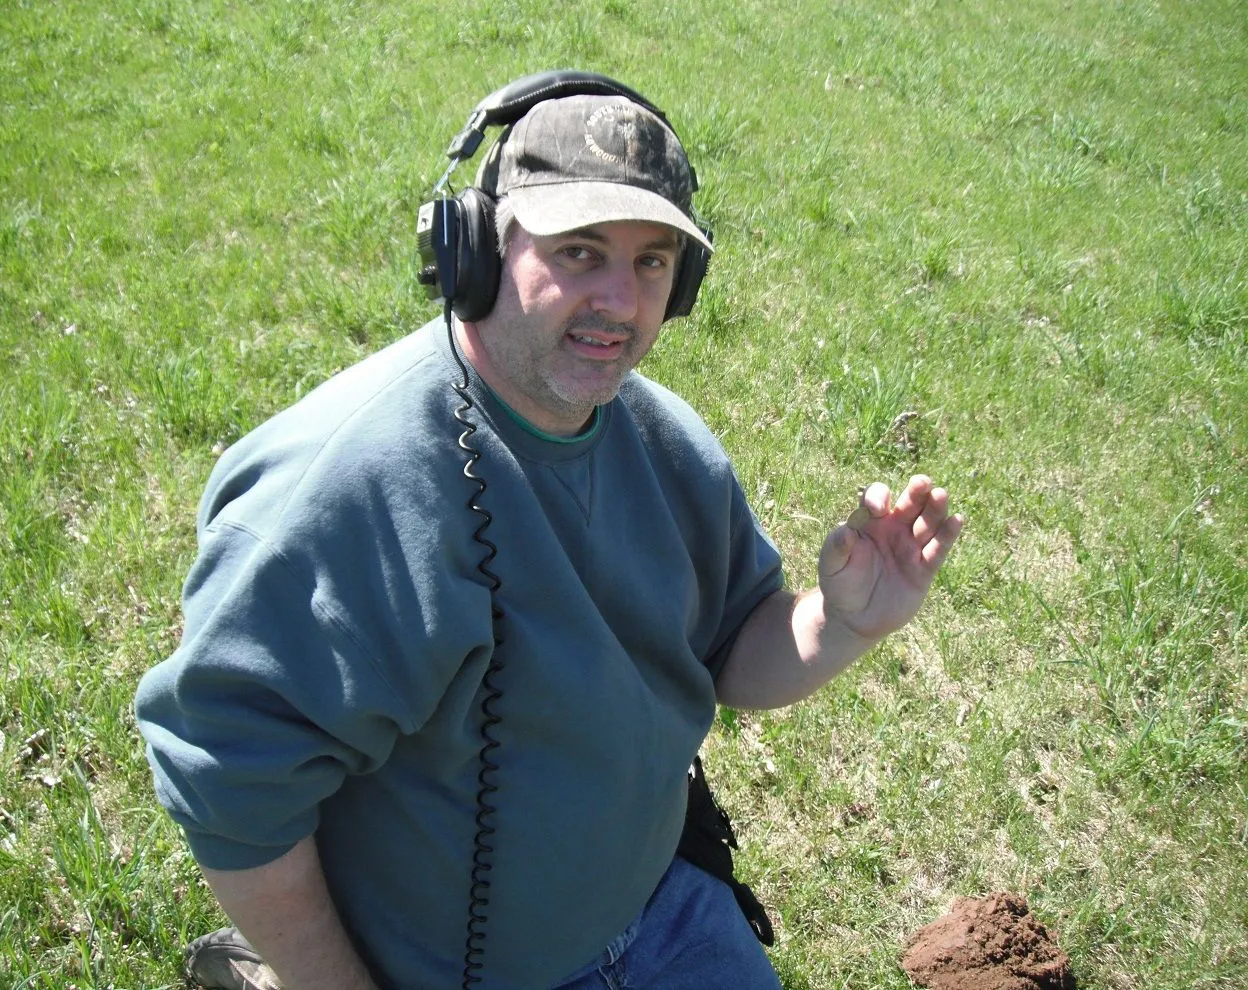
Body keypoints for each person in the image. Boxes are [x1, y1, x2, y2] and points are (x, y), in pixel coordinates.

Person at [134, 72, 963, 990]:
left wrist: (839, 623)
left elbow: (731, 652)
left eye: (652, 262)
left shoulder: (670, 445)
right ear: (475, 250)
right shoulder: (342, 496)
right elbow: (229, 785)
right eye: (580, 250)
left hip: (660, 910)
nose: (619, 298)